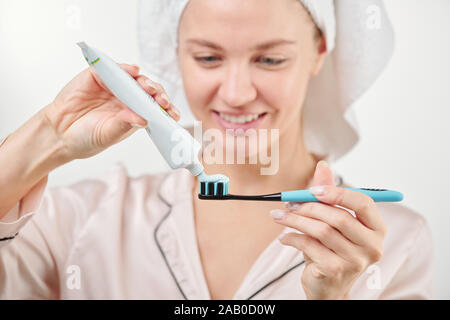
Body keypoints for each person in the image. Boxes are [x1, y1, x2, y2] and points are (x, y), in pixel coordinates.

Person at [0, 0, 433, 299]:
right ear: (175, 54)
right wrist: (50, 133)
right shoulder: (80, 220)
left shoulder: (391, 244)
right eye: (208, 58)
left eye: (269, 59)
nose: (237, 92)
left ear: (320, 51)